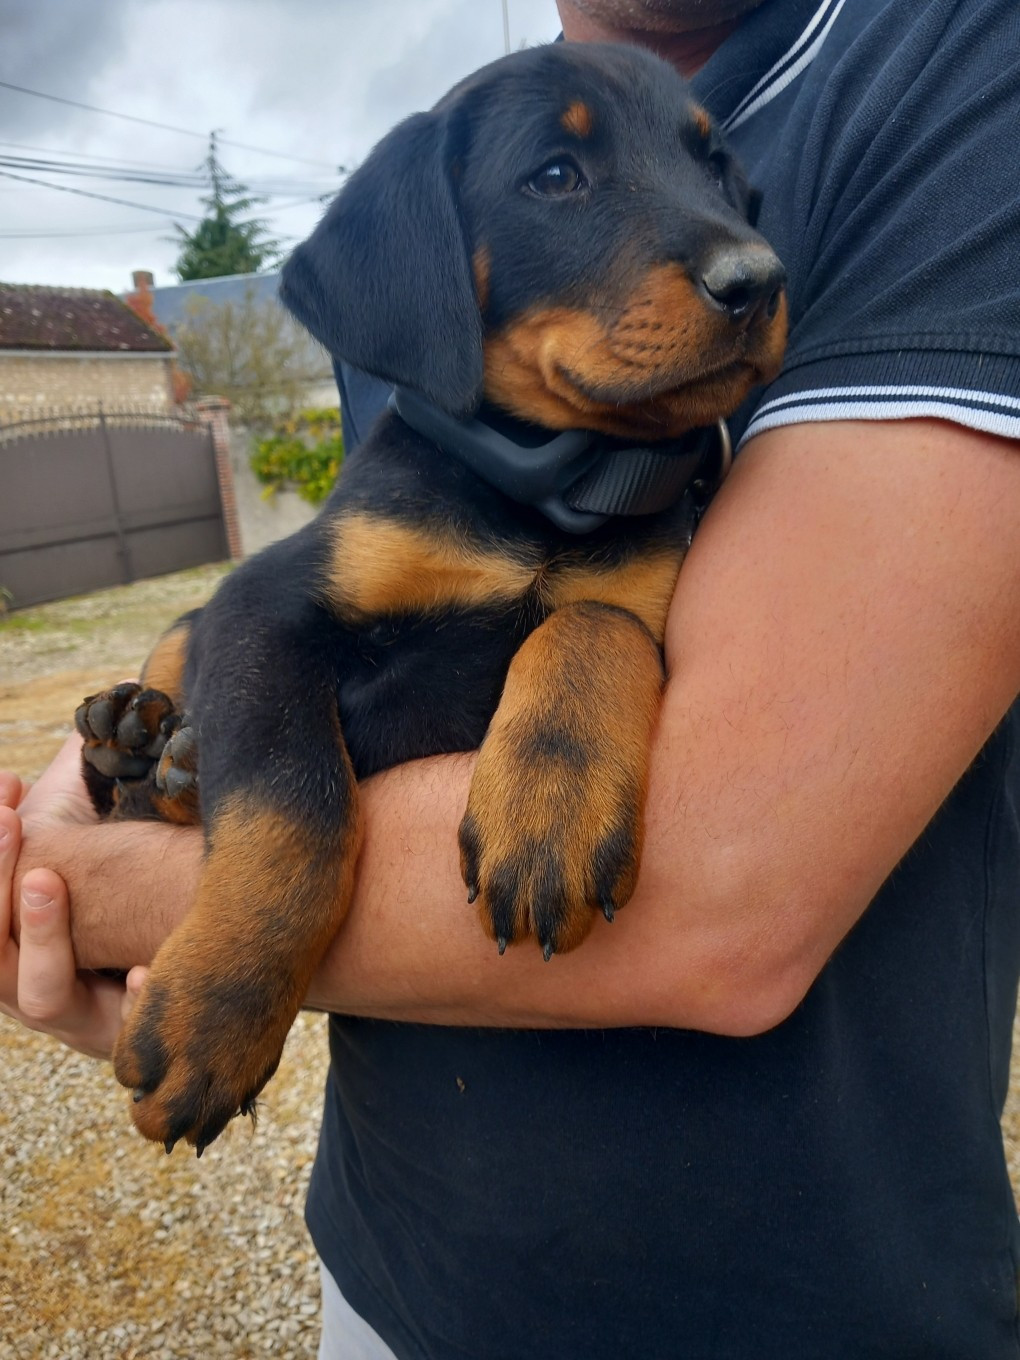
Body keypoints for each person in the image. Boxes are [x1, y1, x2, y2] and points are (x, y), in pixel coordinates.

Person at [3, 0, 1020, 1355]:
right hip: (397, 1264)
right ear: (428, 285)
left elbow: (733, 878)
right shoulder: (435, 341)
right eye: (562, 175)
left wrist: (115, 901)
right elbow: (263, 632)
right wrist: (220, 880)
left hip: (815, 1301)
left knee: (598, 627)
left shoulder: (960, 65)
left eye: (714, 177)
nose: (737, 255)